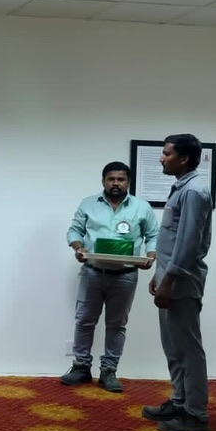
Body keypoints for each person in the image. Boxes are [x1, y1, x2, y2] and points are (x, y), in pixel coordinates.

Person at [61, 162, 158, 393]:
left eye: (121, 179)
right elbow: (74, 230)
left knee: (117, 324)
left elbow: (153, 235)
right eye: (111, 179)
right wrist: (78, 247)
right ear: (103, 181)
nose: (116, 183)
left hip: (125, 275)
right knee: (84, 321)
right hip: (92, 272)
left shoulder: (142, 207)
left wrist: (151, 255)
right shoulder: (88, 204)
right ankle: (81, 367)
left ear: (128, 182)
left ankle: (109, 370)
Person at [141, 133, 213, 431]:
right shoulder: (182, 187)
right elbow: (172, 239)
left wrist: (169, 279)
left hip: (181, 282)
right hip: (169, 278)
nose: (162, 158)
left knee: (188, 349)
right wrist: (159, 275)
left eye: (167, 153)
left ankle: (195, 414)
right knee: (173, 347)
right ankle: (180, 401)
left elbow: (188, 243)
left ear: (183, 158)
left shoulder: (194, 191)